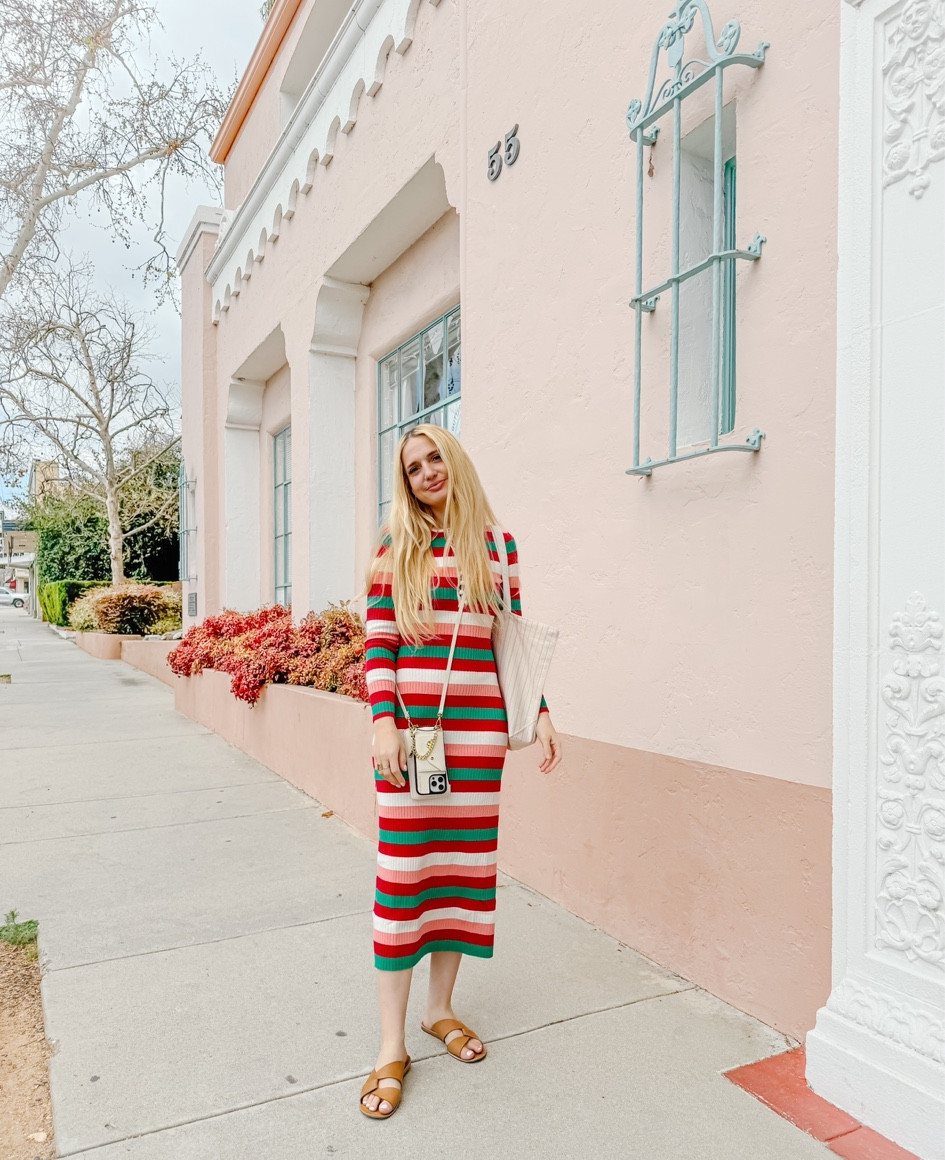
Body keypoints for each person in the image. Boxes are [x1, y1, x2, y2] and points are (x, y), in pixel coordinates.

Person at [359, 423, 562, 1119]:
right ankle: (390, 1046)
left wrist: (537, 711)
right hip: (411, 743)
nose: (426, 472)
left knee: (459, 876)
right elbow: (378, 642)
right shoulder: (395, 548)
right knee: (402, 883)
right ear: (405, 482)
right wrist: (382, 720)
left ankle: (438, 1011)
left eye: (434, 457)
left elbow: (510, 640)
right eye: (413, 467)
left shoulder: (498, 546)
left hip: (475, 745)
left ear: (455, 460)